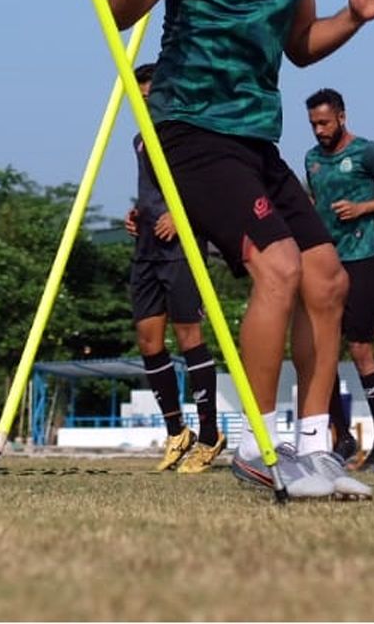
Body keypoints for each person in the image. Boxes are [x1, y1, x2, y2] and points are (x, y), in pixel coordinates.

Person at [105, 0, 374, 500]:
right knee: (280, 267)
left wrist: (353, 18)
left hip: (255, 135)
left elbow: (299, 47)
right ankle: (259, 444)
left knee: (328, 280)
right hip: (192, 130)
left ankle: (316, 447)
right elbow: (116, 11)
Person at [302, 88, 374, 472]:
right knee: (322, 350)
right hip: (326, 263)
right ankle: (341, 436)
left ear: (342, 118)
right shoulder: (312, 160)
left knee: (360, 349)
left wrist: (363, 207)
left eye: (325, 123)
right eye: (314, 124)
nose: (319, 131)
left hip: (363, 258)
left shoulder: (367, 152)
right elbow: (315, 205)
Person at [122, 63, 226, 474]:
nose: (145, 104)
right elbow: (152, 192)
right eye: (140, 98)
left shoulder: (186, 136)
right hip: (147, 246)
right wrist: (138, 214)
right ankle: (175, 431)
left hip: (182, 246)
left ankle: (209, 433)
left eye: (151, 97)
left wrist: (181, 218)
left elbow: (211, 190)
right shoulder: (138, 140)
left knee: (188, 337)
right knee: (148, 339)